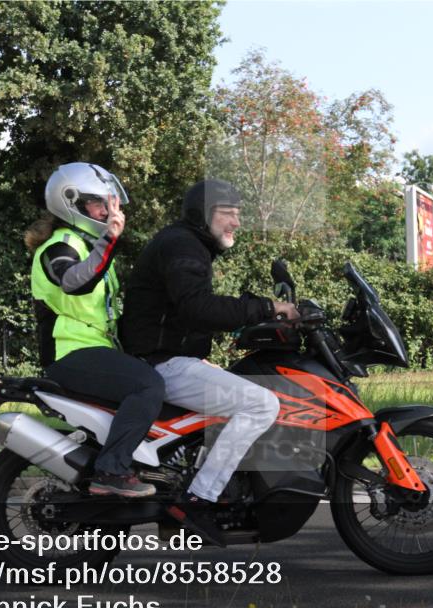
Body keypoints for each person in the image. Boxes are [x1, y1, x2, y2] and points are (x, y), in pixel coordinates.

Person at [120, 179, 299, 544]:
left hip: (167, 358)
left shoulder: (186, 244)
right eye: (228, 213)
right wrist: (268, 307)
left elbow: (184, 312)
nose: (236, 222)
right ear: (203, 215)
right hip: (162, 364)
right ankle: (199, 499)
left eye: (238, 213)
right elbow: (198, 307)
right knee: (261, 404)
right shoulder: (183, 246)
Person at [25, 162, 164, 498]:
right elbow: (74, 282)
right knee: (148, 385)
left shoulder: (87, 245)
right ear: (71, 202)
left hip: (93, 350)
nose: (106, 211)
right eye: (98, 203)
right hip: (70, 352)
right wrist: (110, 239)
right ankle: (111, 470)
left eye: (109, 203)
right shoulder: (60, 246)